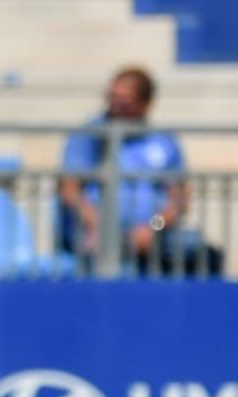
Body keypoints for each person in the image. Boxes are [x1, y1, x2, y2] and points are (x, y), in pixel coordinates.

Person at [59, 67, 217, 276]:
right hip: (97, 233)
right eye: (111, 98)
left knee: (204, 254)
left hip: (152, 236)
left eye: (124, 102)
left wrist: (153, 228)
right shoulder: (90, 136)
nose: (114, 107)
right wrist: (101, 227)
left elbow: (179, 201)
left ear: (145, 104)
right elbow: (70, 191)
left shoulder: (164, 141)